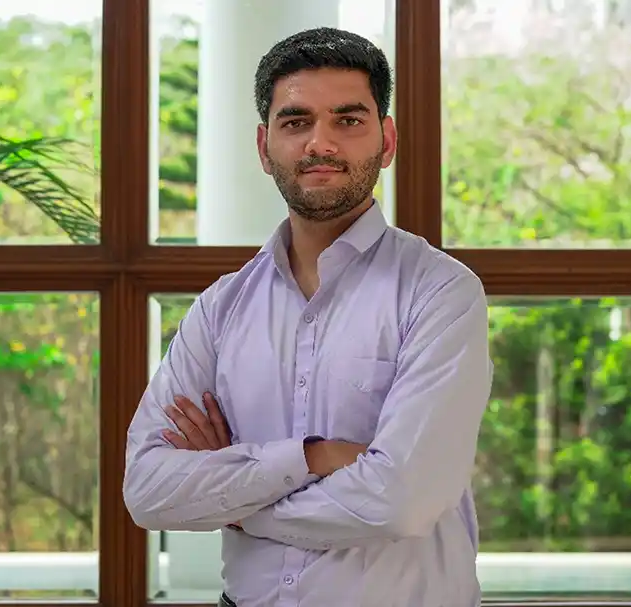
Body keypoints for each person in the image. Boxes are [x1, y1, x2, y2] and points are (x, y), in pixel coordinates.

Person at [123, 26, 492, 607]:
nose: (321, 143)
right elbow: (148, 490)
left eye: (348, 120)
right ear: (264, 146)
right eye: (296, 122)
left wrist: (238, 504)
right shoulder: (221, 308)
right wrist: (314, 456)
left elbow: (401, 500)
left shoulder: (440, 292)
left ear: (387, 141)